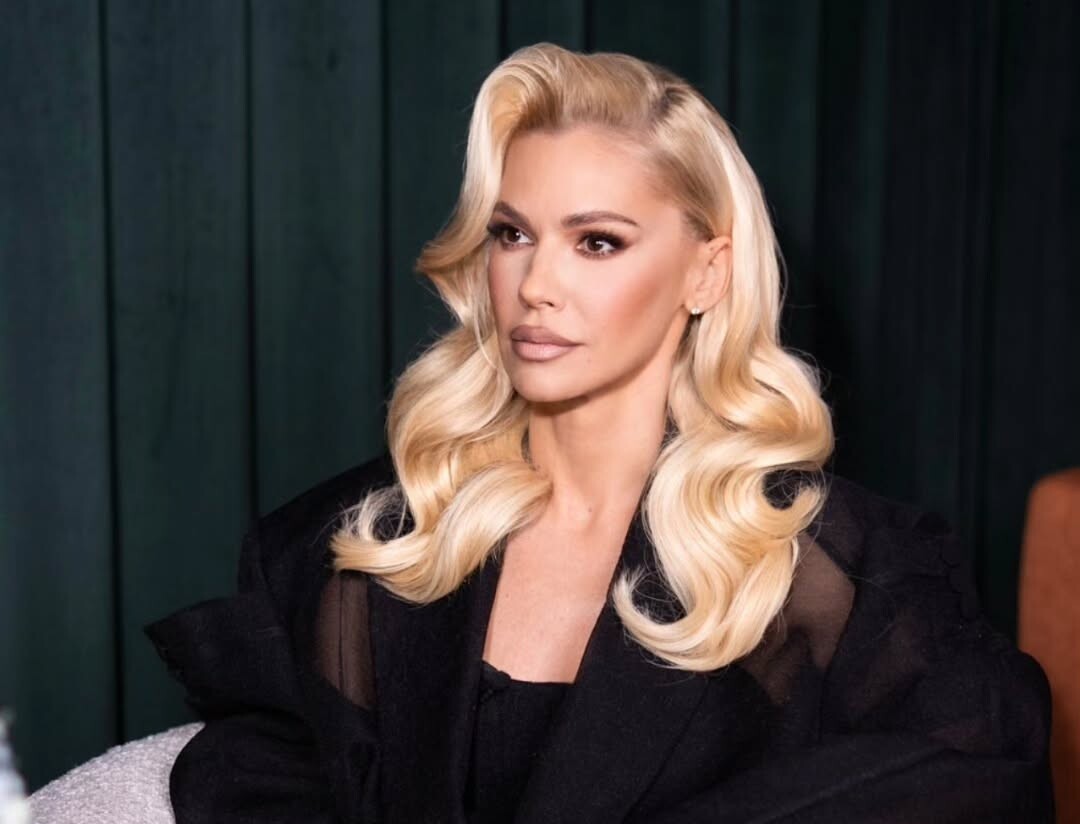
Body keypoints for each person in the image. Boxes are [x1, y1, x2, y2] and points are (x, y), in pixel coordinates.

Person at [145, 42, 1054, 823]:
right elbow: (248, 765)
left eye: (598, 242)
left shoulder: (844, 573)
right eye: (512, 234)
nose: (536, 286)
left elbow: (980, 776)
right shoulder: (358, 546)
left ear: (706, 273)